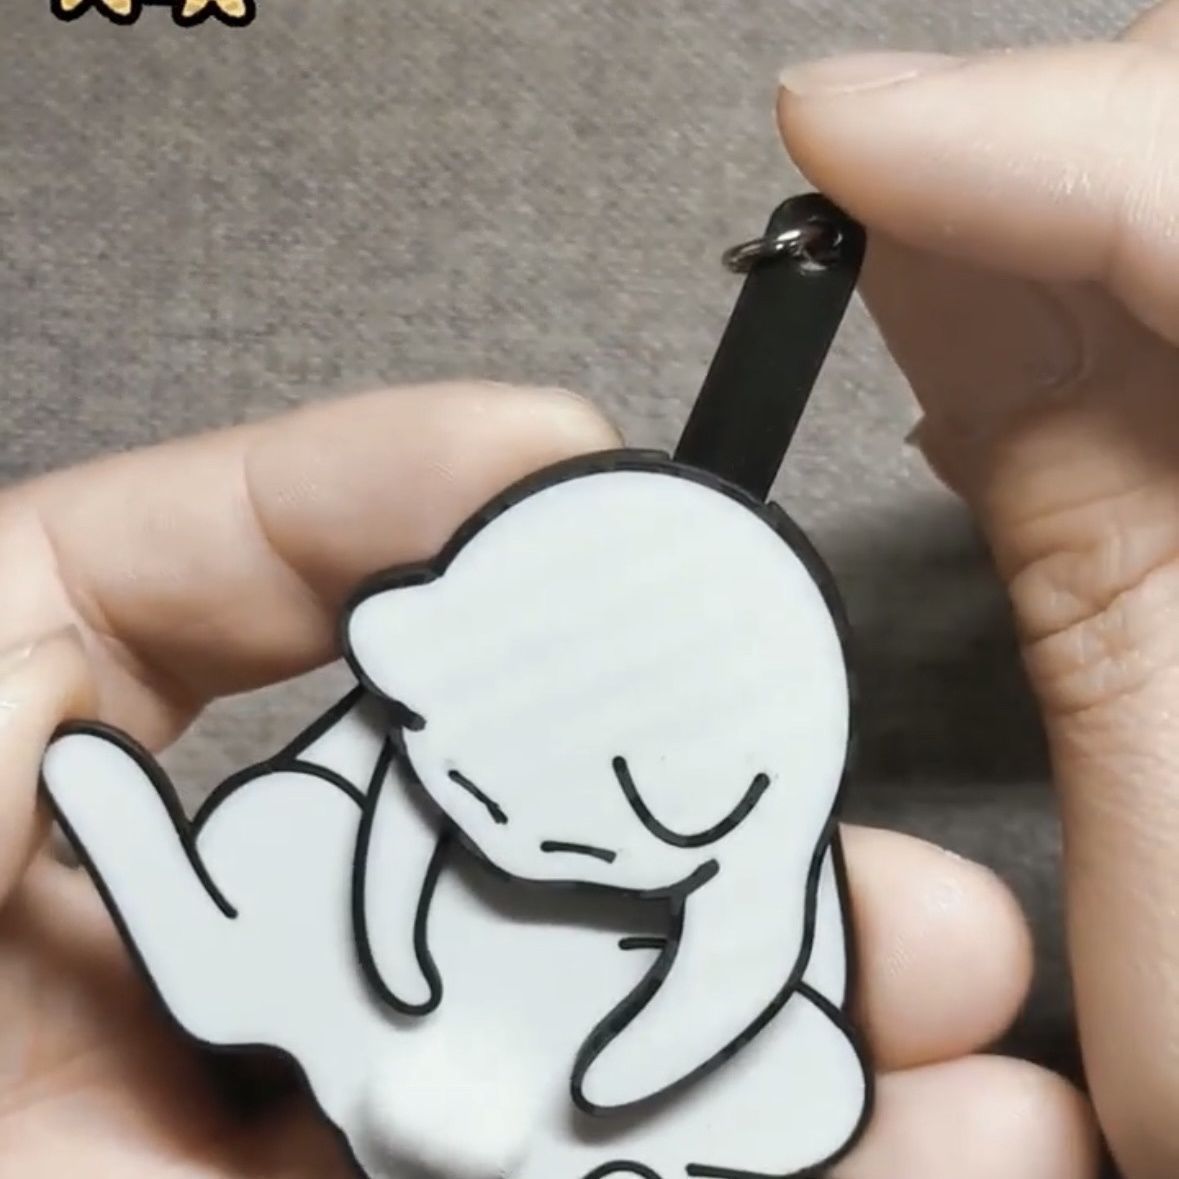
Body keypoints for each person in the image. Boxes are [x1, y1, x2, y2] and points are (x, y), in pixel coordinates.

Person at [4, 2, 1179, 1175]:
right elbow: (392, 831)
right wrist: (394, 955)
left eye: (588, 843)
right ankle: (218, 955)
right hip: (358, 1024)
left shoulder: (754, 831)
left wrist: (614, 1078)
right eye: (483, 796)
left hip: (576, 1071)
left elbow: (740, 971)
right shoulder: (453, 700)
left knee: (807, 1081)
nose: (517, 845)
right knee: (299, 817)